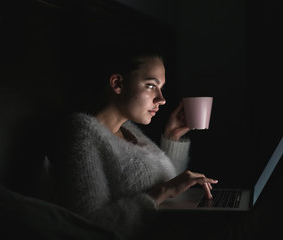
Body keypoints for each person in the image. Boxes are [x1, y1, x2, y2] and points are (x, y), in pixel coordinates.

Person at [50, 51, 218, 239]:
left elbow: (164, 181)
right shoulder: (82, 132)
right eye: (151, 85)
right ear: (117, 84)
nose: (161, 99)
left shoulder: (128, 128)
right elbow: (87, 227)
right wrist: (162, 192)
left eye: (161, 87)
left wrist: (172, 136)